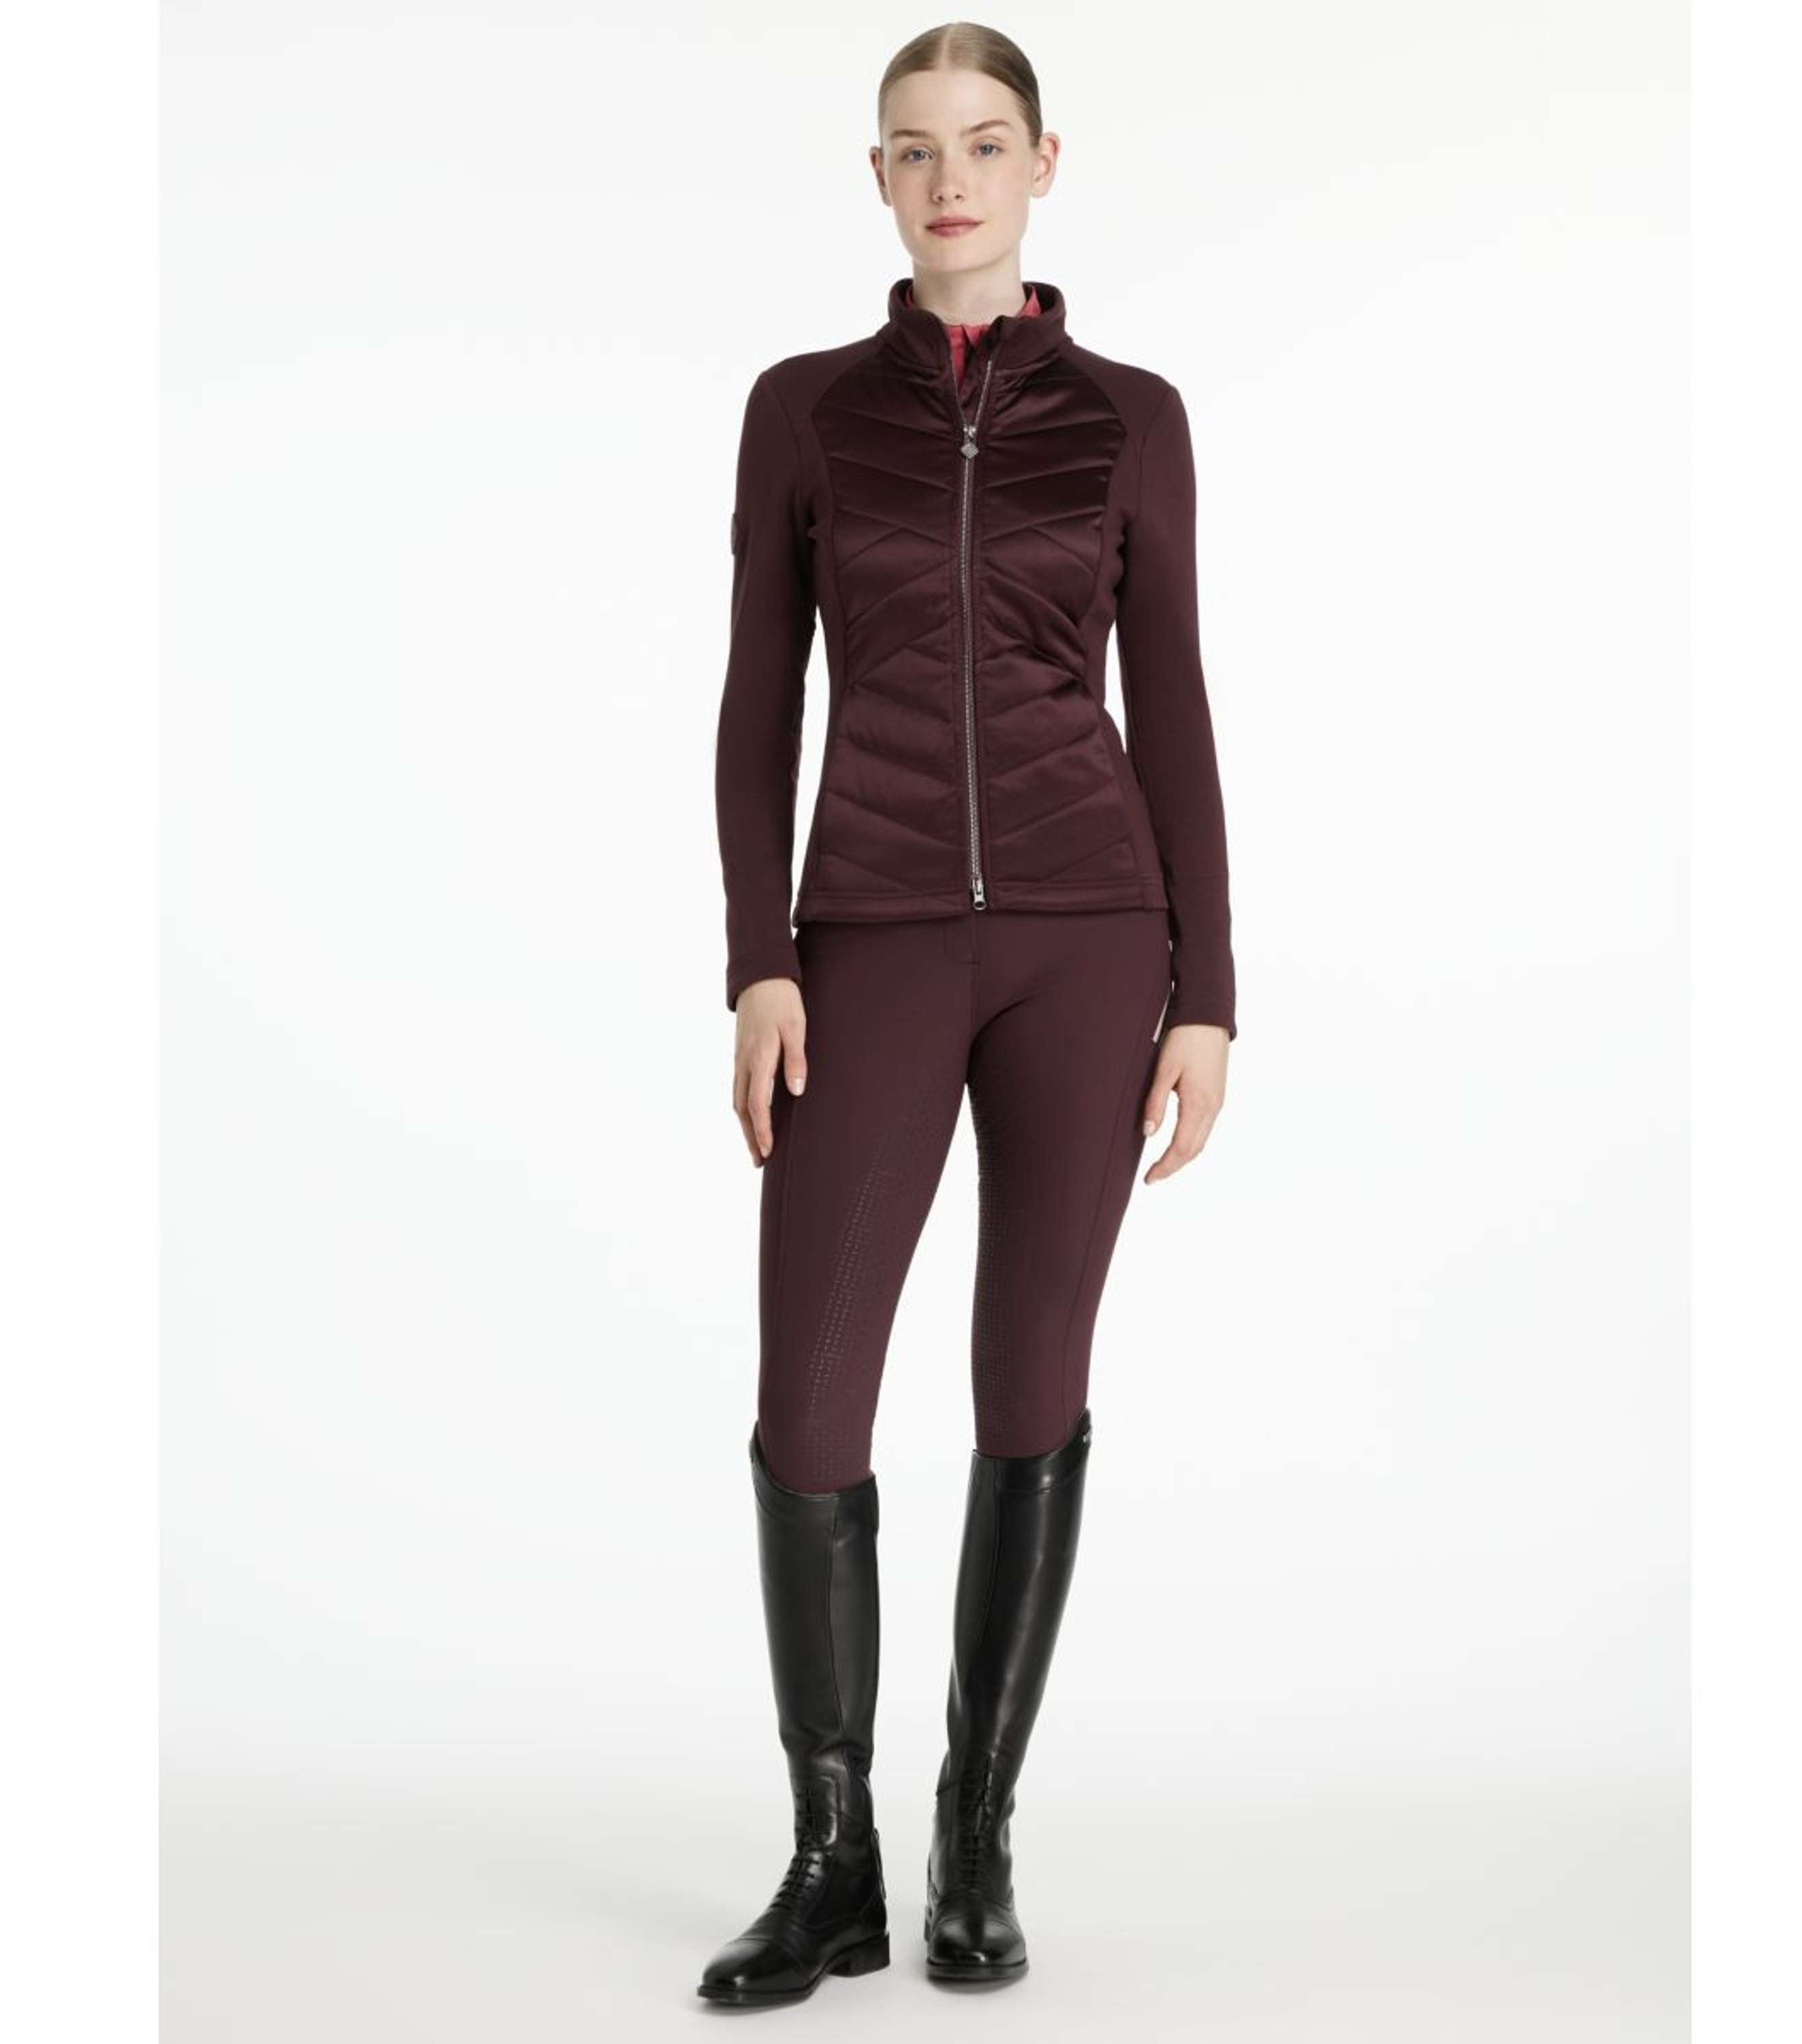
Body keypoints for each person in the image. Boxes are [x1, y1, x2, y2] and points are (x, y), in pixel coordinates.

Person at [697, 22, 1237, 2006]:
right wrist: (761, 953)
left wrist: (1208, 991)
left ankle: (974, 1837)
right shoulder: (804, 413)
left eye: (985, 145)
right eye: (916, 150)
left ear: (1042, 165)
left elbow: (1173, 703)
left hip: (1093, 942)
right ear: (878, 178)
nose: (951, 182)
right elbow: (759, 699)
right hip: (871, 934)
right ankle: (828, 1859)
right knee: (812, 1394)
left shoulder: (1132, 418)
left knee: (1032, 1380)